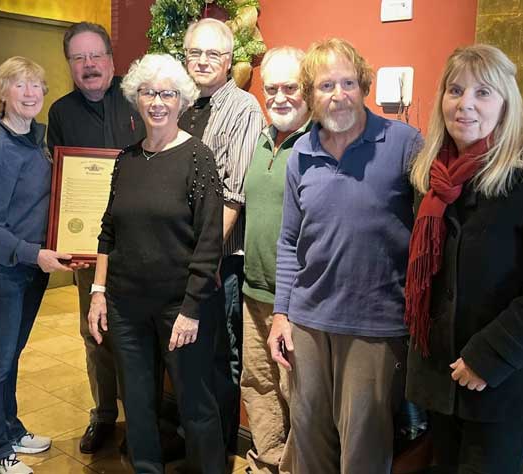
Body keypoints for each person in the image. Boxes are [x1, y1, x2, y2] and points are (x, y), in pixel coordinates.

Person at [404, 44, 523, 473]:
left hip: (504, 379)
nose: (465, 103)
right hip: (444, 376)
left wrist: (489, 356)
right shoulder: (431, 176)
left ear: (507, 103)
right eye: (455, 90)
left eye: (483, 92)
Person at [268, 38, 423, 474]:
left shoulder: (404, 143)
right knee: (309, 441)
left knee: (364, 449)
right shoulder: (301, 152)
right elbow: (289, 241)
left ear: (364, 86)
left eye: (348, 82)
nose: (339, 95)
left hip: (375, 325)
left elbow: (433, 233)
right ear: (311, 96)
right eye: (325, 85)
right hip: (309, 322)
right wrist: (281, 314)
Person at [86, 53, 225, 474]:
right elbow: (108, 230)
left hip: (179, 307)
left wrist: (190, 309)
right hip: (125, 306)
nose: (158, 102)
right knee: (139, 403)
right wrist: (97, 292)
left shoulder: (197, 158)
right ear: (137, 98)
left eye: (167, 93)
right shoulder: (126, 160)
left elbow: (209, 240)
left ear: (181, 100)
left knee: (195, 404)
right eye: (149, 92)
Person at [0, 56, 75, 474]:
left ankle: (10, 429)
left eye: (37, 84)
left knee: (11, 355)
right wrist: (35, 254)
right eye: (20, 85)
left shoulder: (35, 142)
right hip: (2, 270)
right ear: (2, 94)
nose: (31, 93)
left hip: (30, 267)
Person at [47, 21, 145, 454]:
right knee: (96, 331)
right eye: (78, 58)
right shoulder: (60, 113)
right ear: (69, 64)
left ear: (111, 58)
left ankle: (142, 420)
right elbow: (58, 182)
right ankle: (105, 415)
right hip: (90, 250)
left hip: (143, 246)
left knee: (141, 332)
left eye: (96, 56)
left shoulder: (139, 98)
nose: (89, 65)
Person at [179, 18, 265, 452]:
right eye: (195, 53)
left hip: (219, 259)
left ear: (230, 61)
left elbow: (235, 196)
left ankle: (218, 447)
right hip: (180, 254)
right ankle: (190, 437)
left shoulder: (243, 109)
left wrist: (206, 256)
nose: (203, 61)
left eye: (213, 54)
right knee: (187, 353)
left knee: (219, 355)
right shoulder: (179, 104)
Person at [241, 46, 311, 474]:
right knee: (258, 384)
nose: (280, 97)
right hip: (253, 289)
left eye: (291, 88)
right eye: (272, 89)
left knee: (296, 391)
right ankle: (266, 462)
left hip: (296, 300)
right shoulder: (263, 137)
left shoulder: (318, 143)